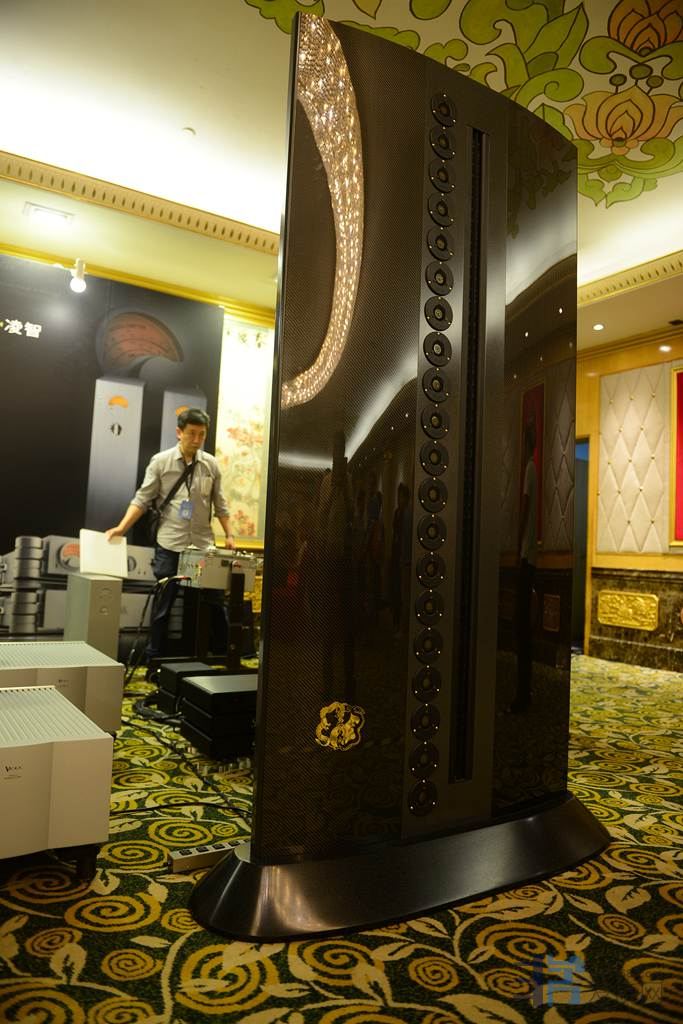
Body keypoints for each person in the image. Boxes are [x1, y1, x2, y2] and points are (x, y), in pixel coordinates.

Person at [106, 407, 234, 661]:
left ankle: (218, 656)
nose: (197, 440)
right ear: (179, 432)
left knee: (213, 603)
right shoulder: (161, 461)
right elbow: (142, 499)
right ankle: (154, 658)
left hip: (202, 546)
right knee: (163, 605)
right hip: (170, 544)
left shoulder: (210, 464)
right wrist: (122, 528)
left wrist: (230, 535)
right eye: (192, 433)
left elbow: (220, 503)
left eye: (202, 434)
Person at [511, 417, 538, 713]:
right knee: (522, 628)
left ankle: (523, 694)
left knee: (521, 628)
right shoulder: (532, 468)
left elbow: (526, 506)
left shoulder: (530, 468)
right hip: (528, 555)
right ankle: (524, 691)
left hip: (526, 556)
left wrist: (518, 541)